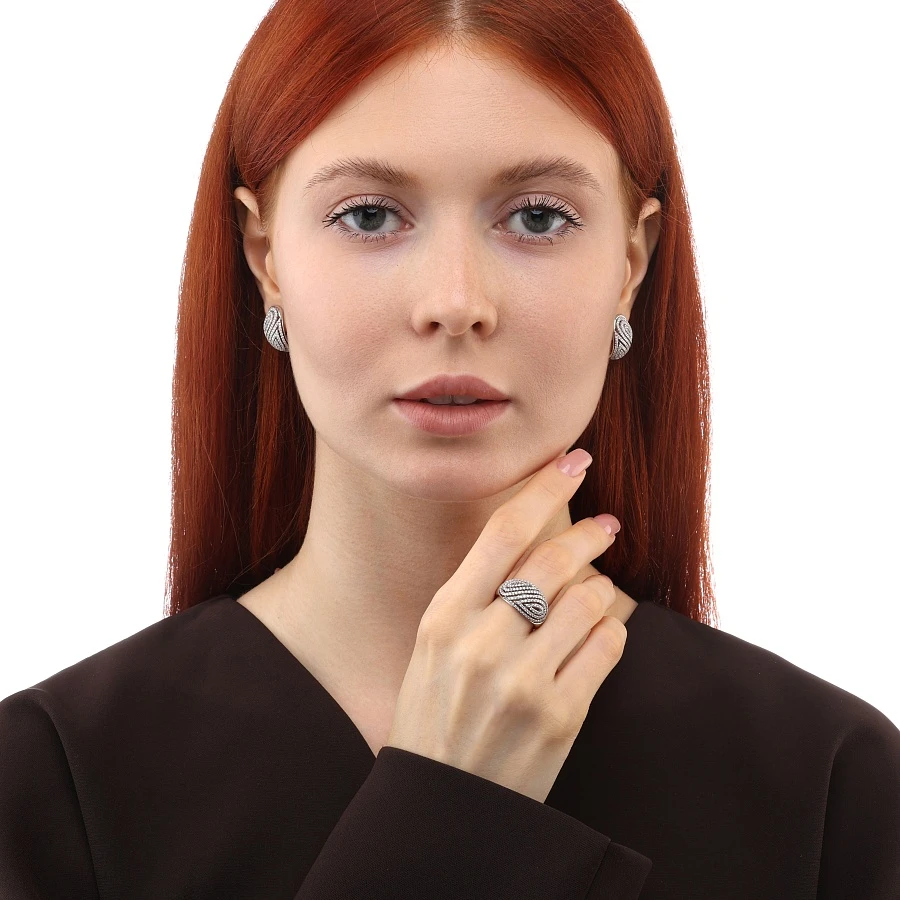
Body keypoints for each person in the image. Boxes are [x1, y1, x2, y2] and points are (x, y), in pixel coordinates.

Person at [2, 1, 898, 898]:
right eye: (368, 216)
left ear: (631, 265)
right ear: (265, 255)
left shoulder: (834, 785)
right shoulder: (44, 782)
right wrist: (444, 815)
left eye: (538, 218)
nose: (456, 302)